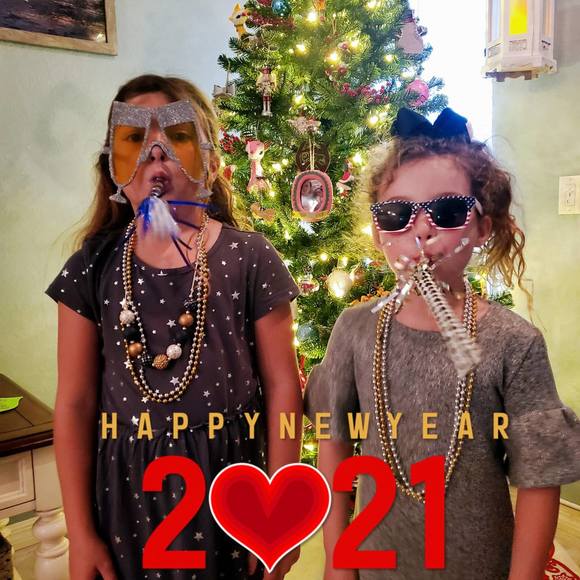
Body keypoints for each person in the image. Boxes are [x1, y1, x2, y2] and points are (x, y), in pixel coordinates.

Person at [304, 108, 580, 580]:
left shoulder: (514, 343)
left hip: (481, 567)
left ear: (482, 228)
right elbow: (334, 446)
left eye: (448, 211)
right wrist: (337, 560)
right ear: (378, 231)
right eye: (397, 214)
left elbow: (539, 479)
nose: (421, 230)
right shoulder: (354, 330)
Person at [46, 74, 302, 580]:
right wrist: (80, 532)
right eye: (136, 140)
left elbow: (283, 389)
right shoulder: (91, 268)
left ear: (211, 160)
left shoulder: (250, 258)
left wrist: (279, 515)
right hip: (125, 498)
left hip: (232, 486)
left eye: (177, 137)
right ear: (114, 166)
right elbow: (73, 404)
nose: (156, 155)